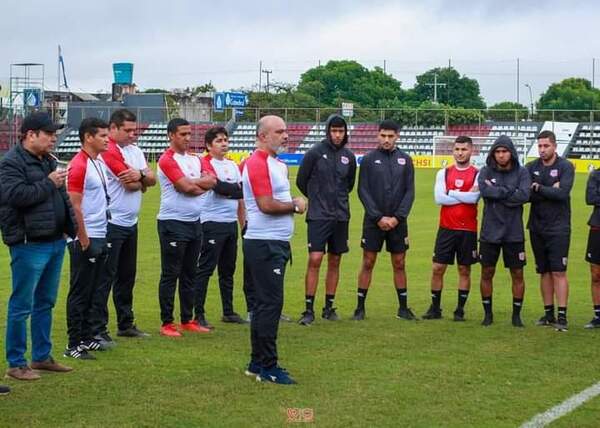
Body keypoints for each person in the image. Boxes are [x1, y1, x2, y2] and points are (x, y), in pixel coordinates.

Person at [0, 112, 76, 379]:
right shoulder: (11, 163)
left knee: (45, 302)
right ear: (31, 134)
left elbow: (60, 196)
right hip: (29, 243)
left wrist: (69, 228)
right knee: (22, 305)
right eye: (49, 134)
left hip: (54, 240)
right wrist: (49, 183)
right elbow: (14, 196)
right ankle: (16, 363)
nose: (54, 138)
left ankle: (42, 357)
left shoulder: (47, 160)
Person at [241, 115, 306, 385]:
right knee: (269, 305)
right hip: (264, 243)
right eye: (279, 131)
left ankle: (257, 363)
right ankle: (268, 367)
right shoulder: (257, 163)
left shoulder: (275, 164)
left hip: (273, 242)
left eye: (286, 131)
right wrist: (295, 204)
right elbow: (266, 204)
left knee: (263, 305)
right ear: (263, 136)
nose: (286, 135)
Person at [89, 109, 156, 347]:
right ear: (113, 128)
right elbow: (130, 184)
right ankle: (97, 328)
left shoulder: (135, 151)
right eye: (127, 130)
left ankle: (126, 323)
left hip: (131, 222)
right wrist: (142, 178)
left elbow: (151, 178)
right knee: (105, 277)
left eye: (134, 130)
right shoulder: (109, 151)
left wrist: (141, 176)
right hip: (112, 222)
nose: (132, 134)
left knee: (127, 276)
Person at [156, 118, 216, 337]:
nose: (188, 138)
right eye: (183, 134)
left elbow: (212, 180)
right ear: (171, 135)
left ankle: (187, 319)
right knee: (171, 273)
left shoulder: (195, 159)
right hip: (172, 222)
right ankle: (167, 322)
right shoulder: (166, 159)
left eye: (189, 134)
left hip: (194, 222)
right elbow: (184, 187)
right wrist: (198, 185)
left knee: (190, 272)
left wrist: (196, 185)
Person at [296, 114, 356, 325]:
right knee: (315, 259)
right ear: (327, 131)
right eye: (334, 131)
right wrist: (318, 198)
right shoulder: (314, 153)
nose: (337, 135)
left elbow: (349, 184)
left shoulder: (349, 156)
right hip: (318, 215)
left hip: (341, 216)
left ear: (345, 132)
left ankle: (329, 307)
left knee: (335, 260)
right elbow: (301, 181)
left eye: (341, 131)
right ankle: (308, 309)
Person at [353, 119, 416, 321]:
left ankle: (403, 308)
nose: (387, 139)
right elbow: (363, 190)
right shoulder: (369, 160)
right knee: (368, 262)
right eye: (383, 135)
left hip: (398, 222)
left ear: (397, 136)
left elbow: (409, 192)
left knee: (399, 263)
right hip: (374, 221)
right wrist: (378, 217)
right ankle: (360, 308)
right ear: (377, 135)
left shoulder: (405, 160)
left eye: (391, 136)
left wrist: (397, 218)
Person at [65, 118, 111, 359]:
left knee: (94, 289)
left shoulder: (97, 162)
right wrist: (82, 237)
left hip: (100, 232)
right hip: (86, 235)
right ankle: (73, 344)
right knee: (80, 290)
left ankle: (86, 337)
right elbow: (74, 205)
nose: (107, 139)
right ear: (88, 137)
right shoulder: (79, 164)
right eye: (102, 135)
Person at [423, 136, 480, 321]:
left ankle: (460, 310)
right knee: (438, 268)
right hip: (446, 228)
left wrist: (452, 193)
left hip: (468, 229)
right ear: (453, 151)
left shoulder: (478, 173)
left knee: (464, 269)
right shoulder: (444, 173)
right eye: (457, 149)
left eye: (464, 149)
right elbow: (440, 199)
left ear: (471, 150)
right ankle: (435, 308)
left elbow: (474, 199)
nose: (460, 153)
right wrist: (464, 195)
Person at [194, 126, 246, 328]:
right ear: (208, 145)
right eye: (218, 140)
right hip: (211, 222)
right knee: (205, 269)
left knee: (228, 269)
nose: (224, 143)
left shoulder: (232, 165)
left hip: (230, 223)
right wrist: (230, 190)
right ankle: (198, 313)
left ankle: (228, 310)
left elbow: (238, 194)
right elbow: (220, 188)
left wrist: (243, 224)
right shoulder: (205, 162)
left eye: (225, 139)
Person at [478, 135, 531, 327]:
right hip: (489, 232)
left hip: (513, 232)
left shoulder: (522, 172)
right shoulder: (485, 171)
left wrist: (498, 191)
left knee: (517, 273)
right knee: (487, 272)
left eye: (504, 151)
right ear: (493, 153)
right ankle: (488, 314)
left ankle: (516, 316)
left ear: (511, 153)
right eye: (497, 152)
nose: (501, 155)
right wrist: (510, 191)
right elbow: (485, 192)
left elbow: (524, 195)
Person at [526, 130, 574, 331]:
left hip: (559, 227)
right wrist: (549, 189)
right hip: (536, 226)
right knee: (543, 271)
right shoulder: (531, 167)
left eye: (546, 146)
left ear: (554, 146)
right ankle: (548, 313)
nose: (542, 149)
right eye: (540, 146)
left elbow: (562, 194)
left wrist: (539, 188)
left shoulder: (565, 166)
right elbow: (527, 195)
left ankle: (562, 316)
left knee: (558, 271)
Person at [584, 166, 600, 329]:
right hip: (597, 227)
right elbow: (590, 198)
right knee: (596, 274)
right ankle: (598, 315)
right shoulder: (596, 174)